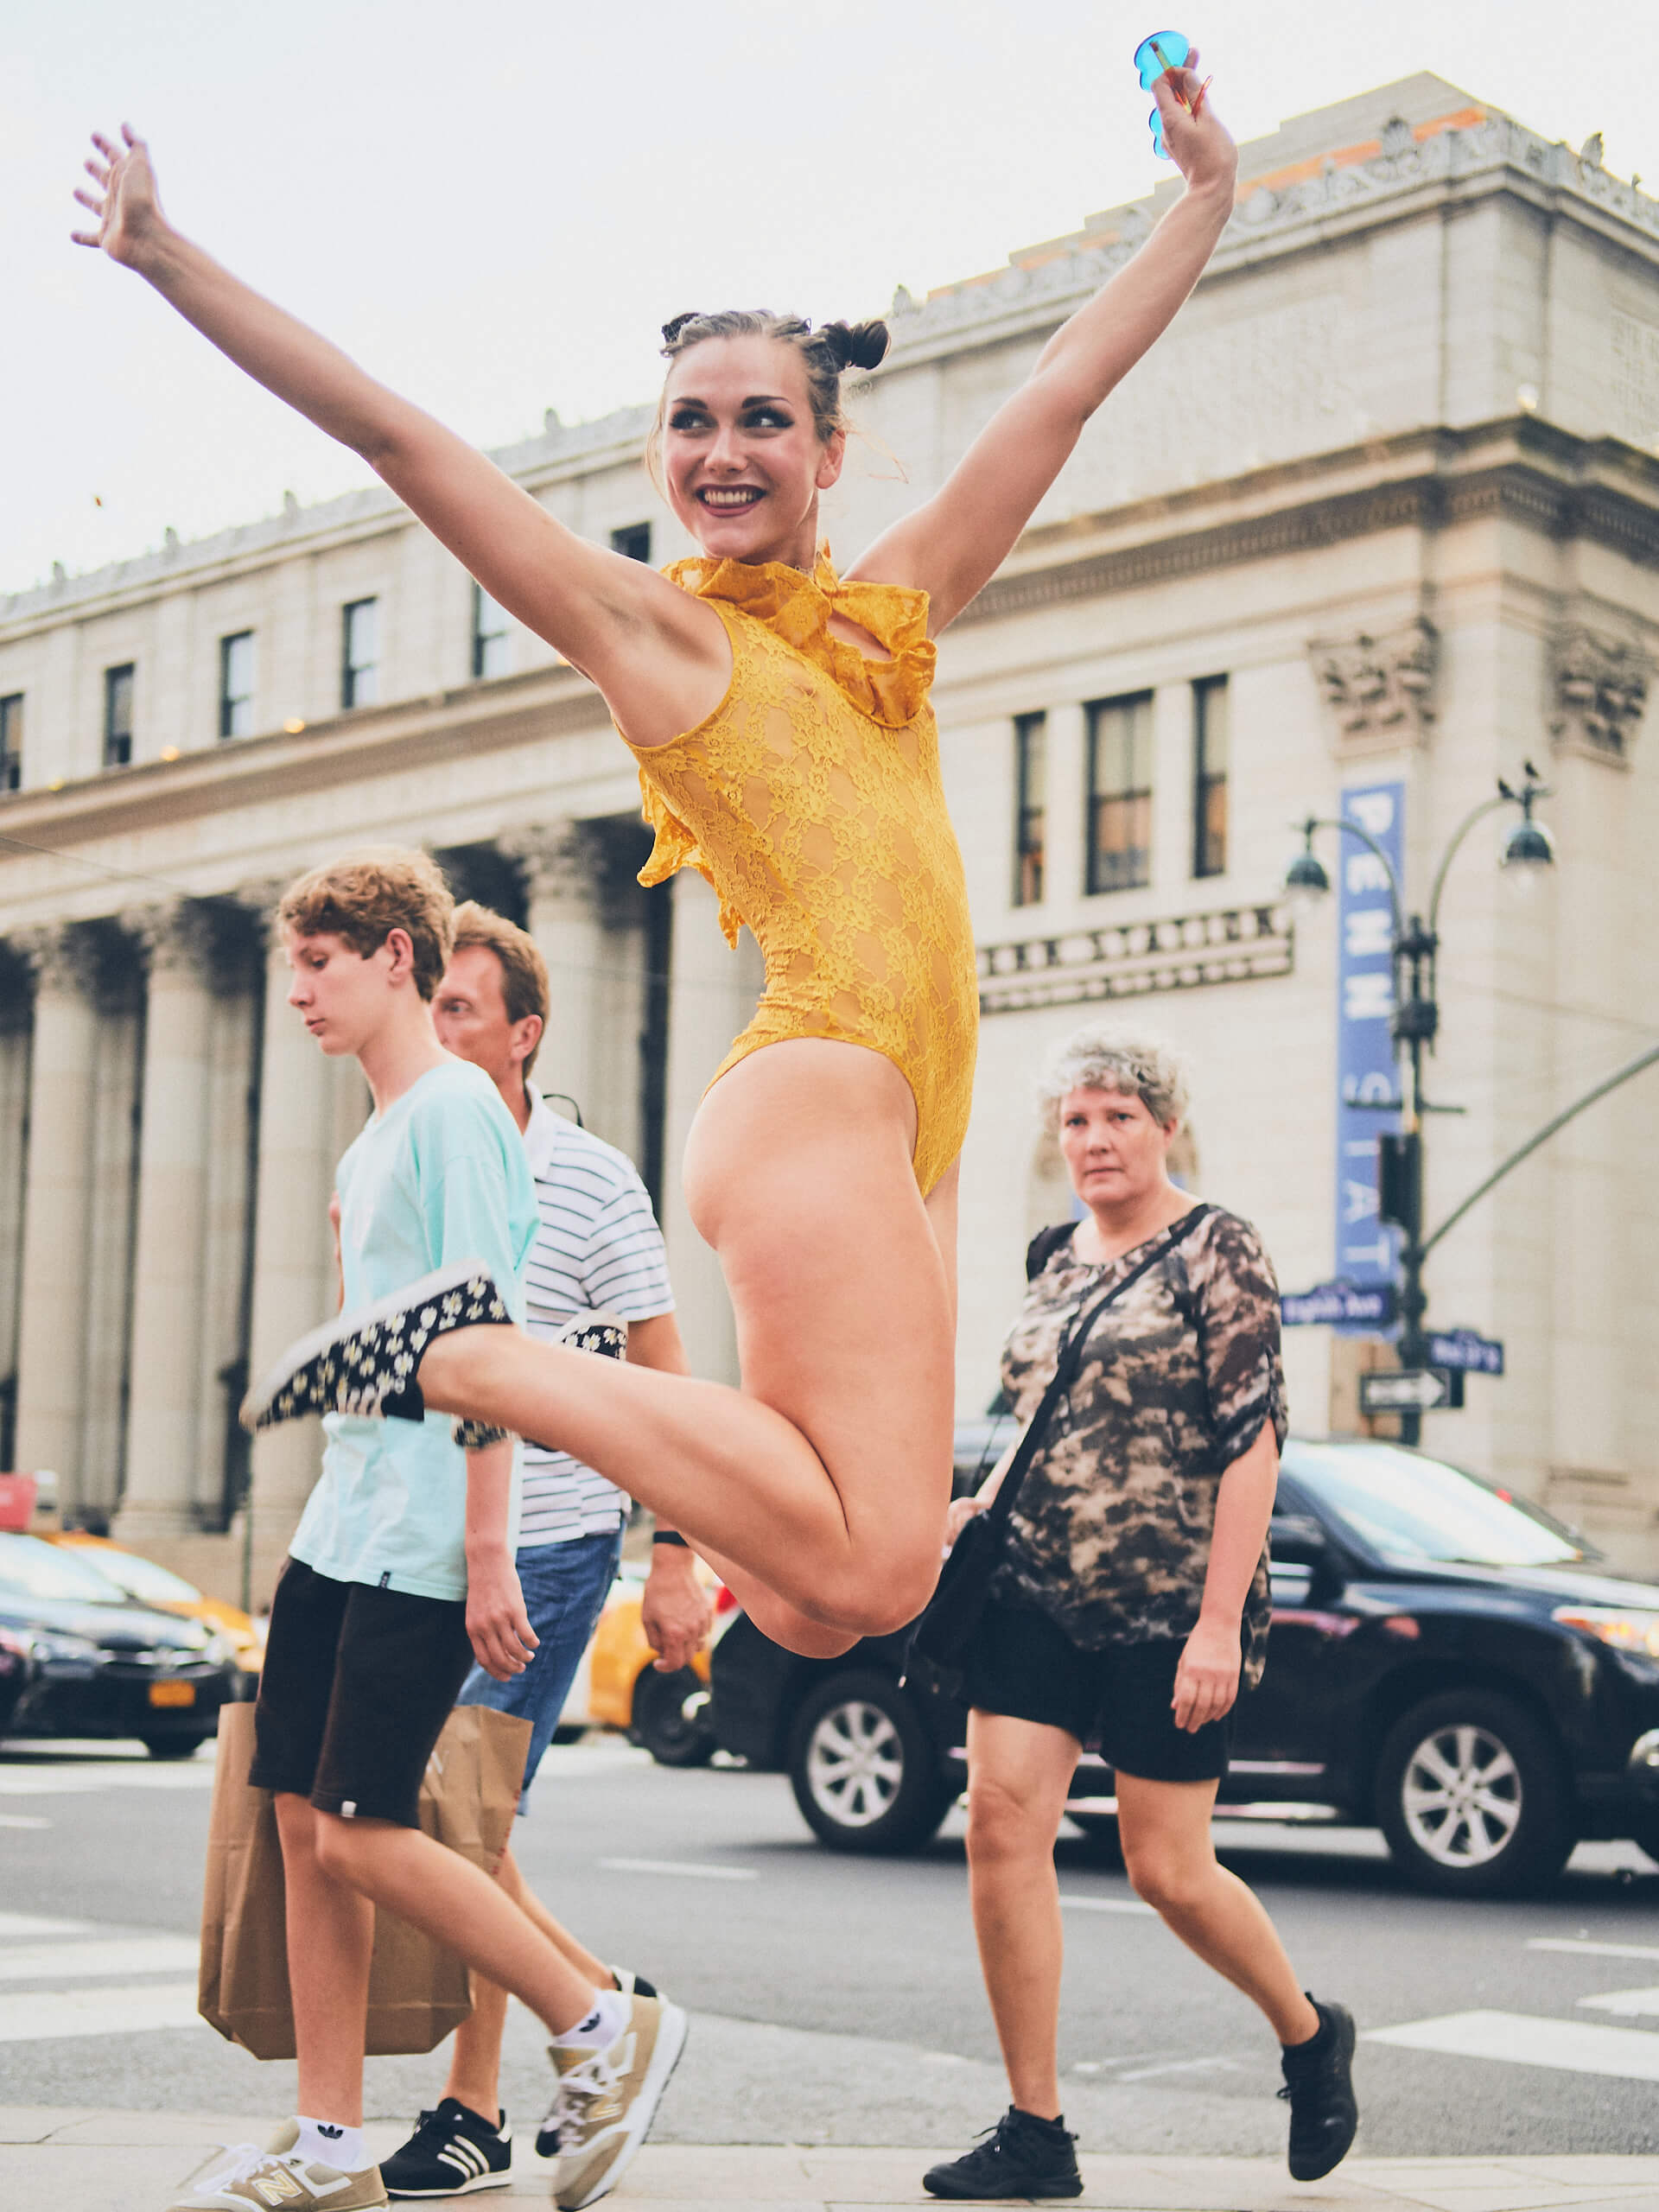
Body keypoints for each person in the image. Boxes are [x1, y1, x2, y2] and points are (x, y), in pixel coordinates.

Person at [73, 55, 1239, 1659]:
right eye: (690, 425)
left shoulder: (883, 619)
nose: (725, 451)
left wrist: (1206, 201)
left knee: (837, 1605)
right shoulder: (663, 639)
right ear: (660, 459)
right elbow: (410, 448)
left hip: (914, 1114)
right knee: (883, 1563)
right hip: (815, 1093)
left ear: (830, 450)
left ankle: (522, 1384)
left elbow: (1057, 398)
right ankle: (479, 1358)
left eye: (766, 419)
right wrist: (166, 256)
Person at [168, 853, 686, 2212]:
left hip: (419, 1534)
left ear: (397, 958)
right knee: (294, 1812)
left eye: (321, 967)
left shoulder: (458, 1111)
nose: (299, 995)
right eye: (293, 968)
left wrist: (490, 1547)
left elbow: (481, 1340)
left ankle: (598, 2022)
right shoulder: (375, 1128)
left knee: (362, 1828)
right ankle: (330, 2144)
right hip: (344, 1521)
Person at [919, 1024, 1357, 2202]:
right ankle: (1035, 2127)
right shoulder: (1052, 1256)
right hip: (1031, 1591)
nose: (1096, 1138)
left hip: (1171, 1601)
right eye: (1076, 1119)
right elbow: (1031, 1416)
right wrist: (975, 1506)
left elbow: (1253, 1442)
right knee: (1000, 1828)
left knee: (1165, 1868)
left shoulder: (1221, 1248)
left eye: (1119, 1115)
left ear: (1165, 1127)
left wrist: (1221, 1624)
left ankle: (1310, 2033)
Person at [378, 901, 712, 2199]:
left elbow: (664, 1372)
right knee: (430, 1817)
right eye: (431, 1009)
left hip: (556, 1542)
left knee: (457, 1824)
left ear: (524, 1034)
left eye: (459, 1010)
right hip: (427, 1545)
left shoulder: (589, 1178)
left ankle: (472, 2111)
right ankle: (604, 2007)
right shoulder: (405, 1151)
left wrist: (674, 1550)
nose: (439, 1031)